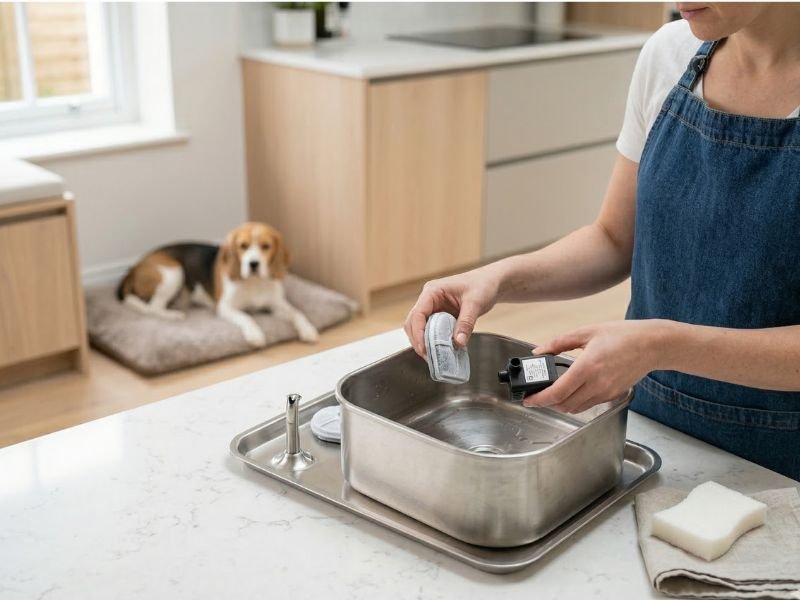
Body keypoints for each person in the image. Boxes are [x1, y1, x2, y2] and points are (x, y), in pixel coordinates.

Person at [404, 3, 800, 481]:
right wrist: (495, 278)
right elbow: (614, 239)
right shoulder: (669, 53)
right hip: (653, 436)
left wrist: (659, 345)